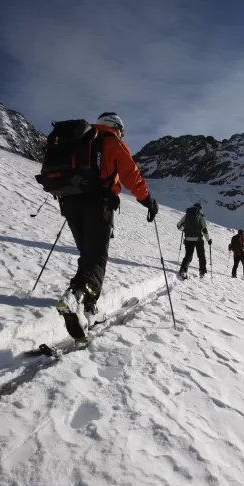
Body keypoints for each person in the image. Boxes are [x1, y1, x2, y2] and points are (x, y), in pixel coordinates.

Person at [56, 112, 158, 340]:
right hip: (97, 205)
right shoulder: (112, 142)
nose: (122, 134)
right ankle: (75, 295)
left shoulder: (79, 141)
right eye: (122, 131)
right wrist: (147, 199)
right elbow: (131, 174)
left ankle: (89, 308)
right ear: (116, 126)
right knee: (97, 257)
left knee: (88, 254)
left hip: (70, 203)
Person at [177, 203, 212, 279]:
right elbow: (204, 229)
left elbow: (178, 225)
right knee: (201, 256)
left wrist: (185, 230)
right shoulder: (201, 216)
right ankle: (202, 273)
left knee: (188, 255)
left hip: (188, 239)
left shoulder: (187, 215)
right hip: (198, 239)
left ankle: (183, 270)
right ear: (200, 209)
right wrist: (208, 240)